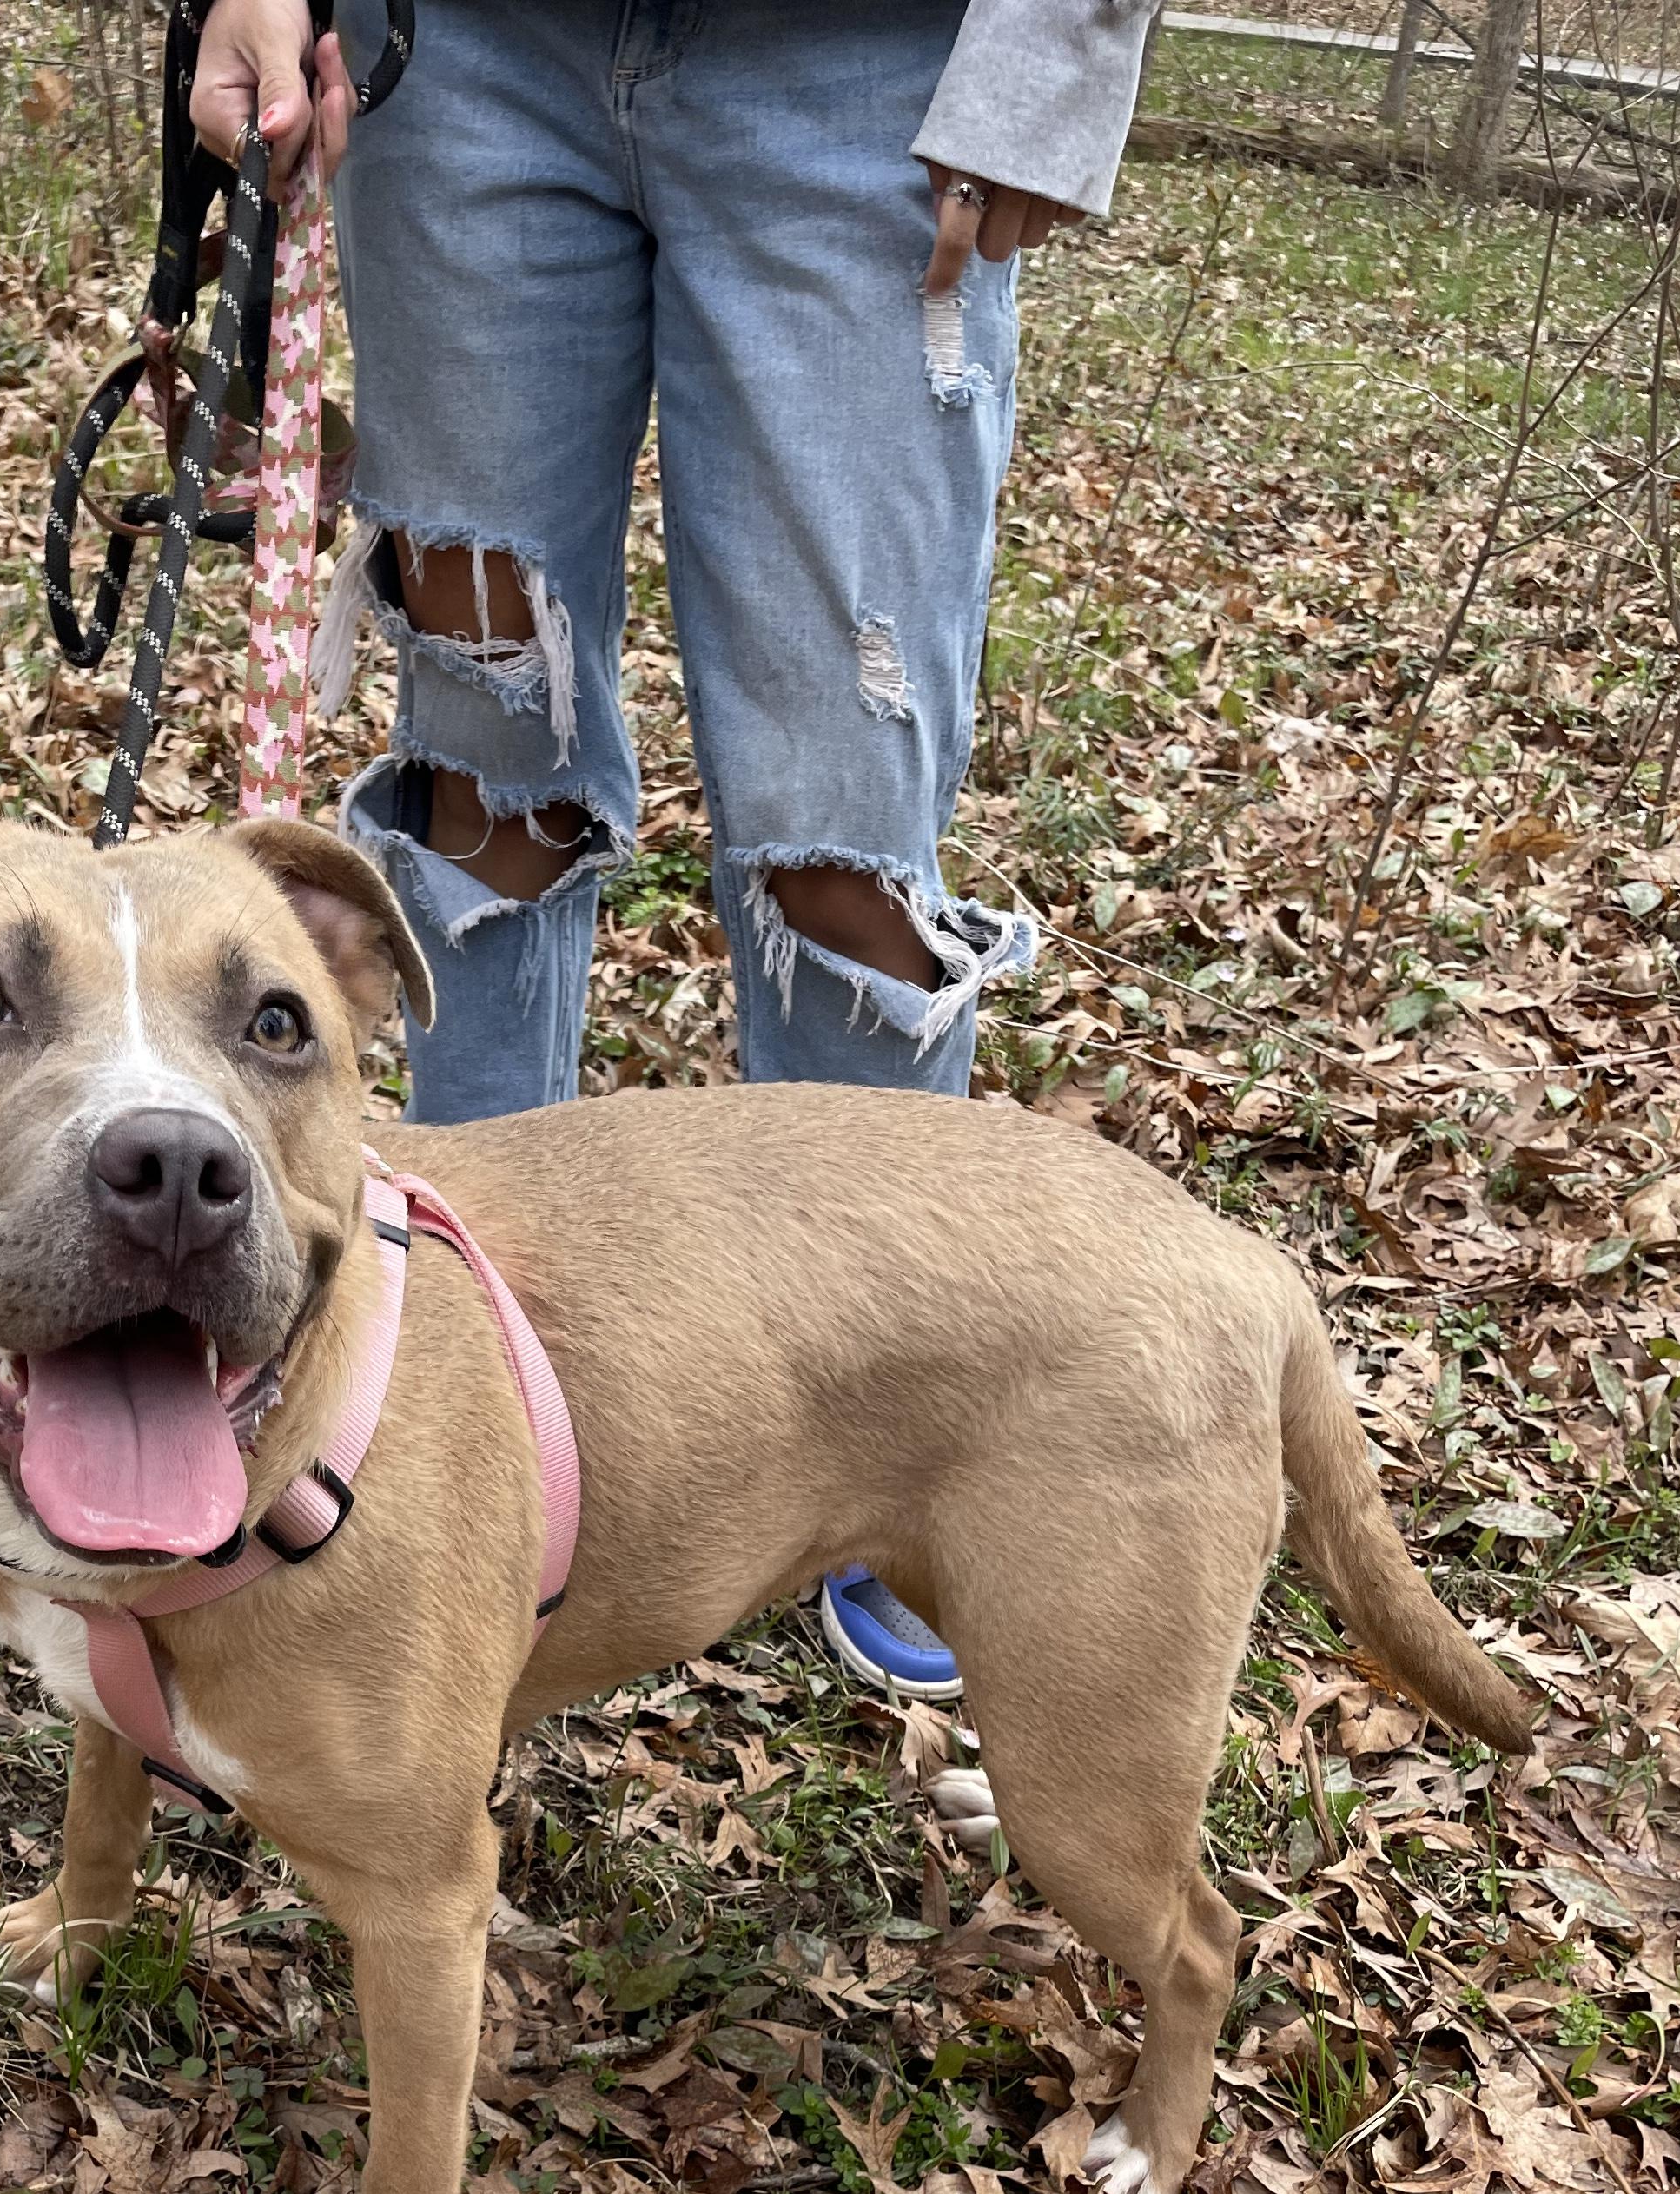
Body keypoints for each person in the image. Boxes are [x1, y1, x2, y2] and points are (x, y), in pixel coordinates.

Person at [189, 0, 1154, 1705]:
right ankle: (465, 1374)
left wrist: (1050, 57)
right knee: (483, 761)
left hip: (874, 78)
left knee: (836, 844)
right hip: (453, 58)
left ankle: (897, 1409)